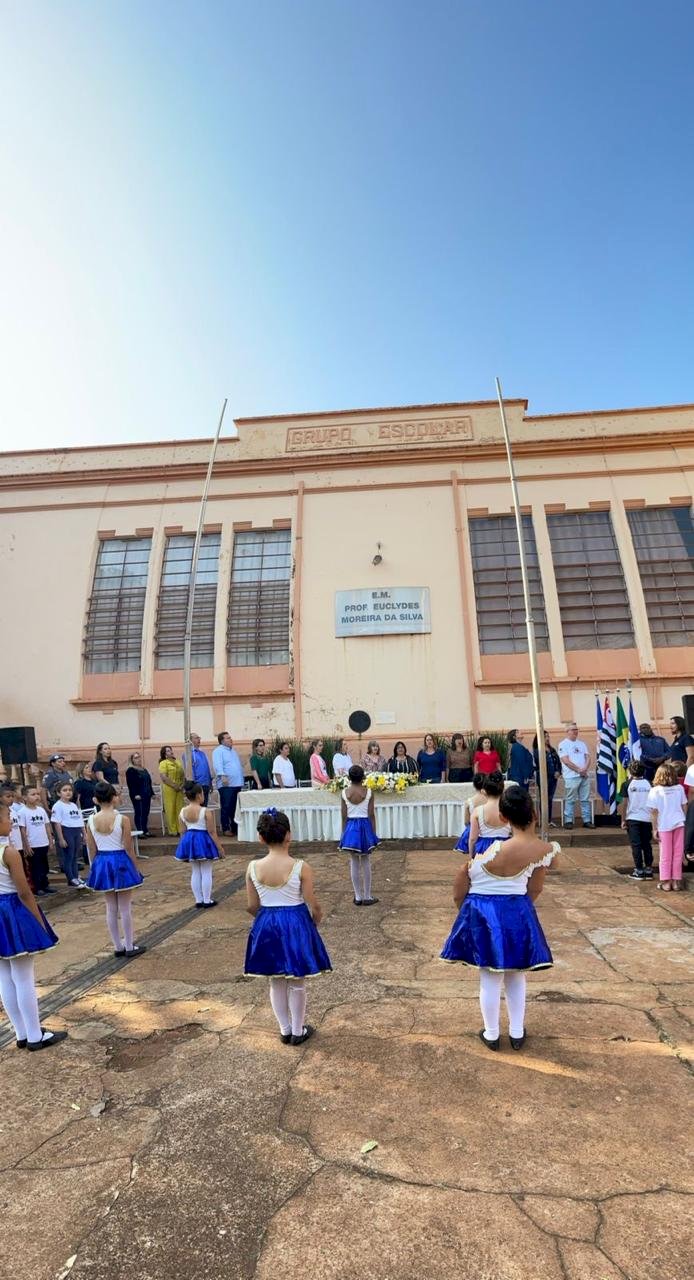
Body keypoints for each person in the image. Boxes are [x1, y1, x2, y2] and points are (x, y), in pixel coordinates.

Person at [440, 785, 559, 1051]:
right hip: (518, 910)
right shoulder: (542, 851)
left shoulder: (487, 856)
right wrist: (519, 908)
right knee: (517, 974)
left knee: (489, 976)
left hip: (483, 913)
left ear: (504, 818)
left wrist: (466, 912)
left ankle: (492, 1033)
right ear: (534, 815)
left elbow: (460, 886)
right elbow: (536, 888)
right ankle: (516, 1031)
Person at [244, 808, 331, 1045]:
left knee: (276, 979)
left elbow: (252, 905)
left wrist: (265, 921)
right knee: (297, 979)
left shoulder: (252, 868)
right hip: (295, 923)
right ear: (289, 835)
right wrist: (314, 920)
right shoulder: (301, 867)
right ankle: (297, 1029)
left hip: (267, 924)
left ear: (261, 838)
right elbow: (313, 904)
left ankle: (284, 1029)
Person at [0, 798, 67, 1051]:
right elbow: (25, 892)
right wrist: (38, 921)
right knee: (23, 976)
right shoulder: (8, 852)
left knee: (4, 975)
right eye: (7, 817)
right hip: (13, 911)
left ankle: (21, 1033)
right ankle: (35, 1035)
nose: (11, 822)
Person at [85, 781, 145, 957]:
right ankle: (129, 945)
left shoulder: (90, 819)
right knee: (125, 907)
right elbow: (128, 847)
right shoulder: (122, 819)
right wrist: (135, 867)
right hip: (120, 860)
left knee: (110, 906)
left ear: (96, 799)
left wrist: (94, 868)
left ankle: (117, 946)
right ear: (113, 797)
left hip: (102, 861)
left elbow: (91, 847)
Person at [174, 782, 225, 908]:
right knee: (206, 870)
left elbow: (182, 831)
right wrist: (220, 848)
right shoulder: (205, 811)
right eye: (202, 793)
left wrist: (184, 846)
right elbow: (212, 832)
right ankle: (207, 900)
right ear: (198, 795)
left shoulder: (182, 811)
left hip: (189, 839)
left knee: (195, 871)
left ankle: (198, 899)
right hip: (203, 840)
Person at [338, 764, 379, 906]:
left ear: (349, 778)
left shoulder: (344, 793)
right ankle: (367, 896)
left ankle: (358, 896)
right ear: (363, 777)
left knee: (354, 860)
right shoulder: (368, 792)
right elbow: (371, 814)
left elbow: (344, 815)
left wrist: (343, 833)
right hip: (365, 826)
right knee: (366, 859)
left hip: (351, 827)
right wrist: (373, 832)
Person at [649, 762, 687, 892]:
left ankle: (666, 882)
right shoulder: (679, 788)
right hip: (679, 823)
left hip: (664, 825)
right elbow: (684, 806)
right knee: (677, 853)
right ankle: (676, 882)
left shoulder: (655, 791)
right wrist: (684, 820)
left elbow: (654, 812)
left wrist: (654, 829)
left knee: (665, 854)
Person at [619, 760, 654, 880]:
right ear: (644, 771)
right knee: (646, 844)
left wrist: (623, 820)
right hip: (647, 818)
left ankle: (639, 870)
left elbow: (624, 804)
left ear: (629, 771)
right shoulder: (650, 783)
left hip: (633, 818)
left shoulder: (626, 784)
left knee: (636, 845)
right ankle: (648, 869)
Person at [20, 786, 57, 895]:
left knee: (44, 866)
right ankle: (37, 887)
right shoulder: (23, 812)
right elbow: (23, 829)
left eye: (37, 794)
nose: (36, 796)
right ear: (25, 797)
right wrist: (26, 845)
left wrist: (50, 840)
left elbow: (47, 826)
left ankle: (45, 884)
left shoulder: (41, 810)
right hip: (33, 844)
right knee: (35, 867)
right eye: (33, 794)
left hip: (43, 842)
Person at [50, 783, 88, 889]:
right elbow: (57, 823)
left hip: (76, 832)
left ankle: (76, 876)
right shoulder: (57, 806)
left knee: (75, 856)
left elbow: (80, 821)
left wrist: (84, 834)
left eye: (70, 790)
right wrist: (61, 838)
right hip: (67, 831)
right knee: (68, 856)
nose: (68, 792)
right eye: (64, 790)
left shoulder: (73, 805)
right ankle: (71, 878)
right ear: (58, 793)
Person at [557, 722, 594, 829]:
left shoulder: (582, 744)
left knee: (585, 799)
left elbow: (588, 757)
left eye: (576, 729)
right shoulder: (563, 744)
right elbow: (565, 761)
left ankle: (587, 820)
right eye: (573, 729)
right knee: (570, 799)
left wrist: (585, 769)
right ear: (567, 731)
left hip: (583, 776)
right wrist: (579, 770)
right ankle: (568, 820)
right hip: (571, 776)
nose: (576, 731)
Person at [468, 772, 511, 857]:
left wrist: (471, 857)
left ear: (484, 791)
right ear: (503, 790)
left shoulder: (477, 811)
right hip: (506, 848)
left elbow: (473, 839)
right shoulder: (510, 809)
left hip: (485, 849)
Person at [211, 732, 245, 835]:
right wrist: (222, 776)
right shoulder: (218, 751)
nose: (231, 739)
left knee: (235, 807)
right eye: (228, 738)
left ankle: (235, 828)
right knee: (226, 806)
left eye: (230, 737)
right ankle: (226, 828)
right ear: (222, 741)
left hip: (236, 783)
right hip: (226, 784)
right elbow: (218, 765)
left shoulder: (233, 751)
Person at [532, 732, 562, 827]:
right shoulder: (537, 750)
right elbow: (540, 764)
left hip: (554, 778)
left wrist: (558, 771)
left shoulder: (552, 749)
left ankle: (549, 820)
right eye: (545, 736)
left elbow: (558, 761)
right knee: (544, 798)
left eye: (548, 736)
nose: (547, 738)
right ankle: (544, 820)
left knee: (550, 798)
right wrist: (551, 773)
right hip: (543, 777)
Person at [454, 773, 486, 854]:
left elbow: (466, 822)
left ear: (474, 785)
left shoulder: (469, 802)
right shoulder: (492, 800)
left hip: (475, 831)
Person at [158, 746, 186, 837]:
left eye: (171, 750)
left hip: (179, 788)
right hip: (169, 788)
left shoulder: (177, 761)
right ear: (164, 754)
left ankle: (180, 828)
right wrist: (174, 786)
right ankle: (172, 830)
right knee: (170, 808)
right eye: (168, 751)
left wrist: (181, 785)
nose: (171, 752)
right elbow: (164, 777)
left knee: (180, 808)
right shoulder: (163, 763)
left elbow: (182, 774)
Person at [125, 752, 154, 837]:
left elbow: (148, 782)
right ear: (132, 760)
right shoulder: (131, 770)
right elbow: (131, 784)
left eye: (139, 757)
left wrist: (152, 793)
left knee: (145, 812)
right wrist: (135, 794)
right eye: (136, 758)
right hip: (138, 795)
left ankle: (145, 830)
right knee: (139, 812)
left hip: (146, 794)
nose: (138, 759)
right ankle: (140, 831)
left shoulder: (143, 769)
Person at [183, 734, 212, 805]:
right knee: (197, 808)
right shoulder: (188, 753)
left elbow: (206, 768)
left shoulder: (202, 753)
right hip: (197, 785)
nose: (199, 739)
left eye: (199, 738)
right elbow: (189, 771)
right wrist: (194, 785)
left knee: (204, 807)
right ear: (191, 741)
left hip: (205, 784)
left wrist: (210, 783)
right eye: (196, 738)